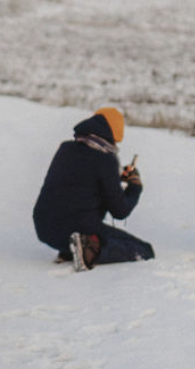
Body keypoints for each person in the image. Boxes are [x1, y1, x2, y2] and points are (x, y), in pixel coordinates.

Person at [31, 107, 155, 270]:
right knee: (145, 250)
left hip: (44, 228)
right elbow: (120, 211)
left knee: (75, 215)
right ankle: (88, 250)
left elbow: (81, 180)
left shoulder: (66, 148)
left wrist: (115, 177)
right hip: (76, 229)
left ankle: (68, 250)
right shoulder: (106, 160)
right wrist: (135, 186)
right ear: (115, 132)